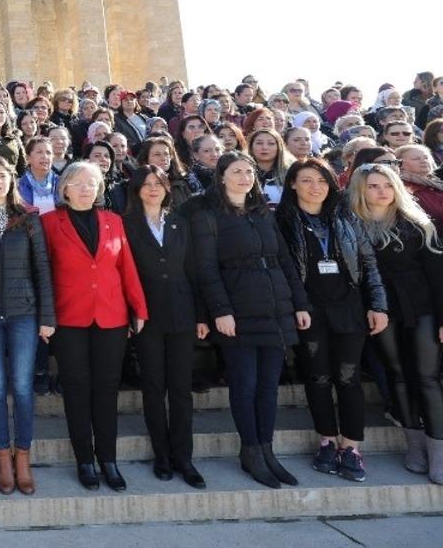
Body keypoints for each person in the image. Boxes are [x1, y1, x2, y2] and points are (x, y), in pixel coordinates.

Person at [188, 151, 311, 489]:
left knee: (268, 387)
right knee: (245, 385)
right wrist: (220, 311)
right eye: (237, 171)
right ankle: (251, 451)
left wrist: (300, 304)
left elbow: (284, 260)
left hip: (274, 309)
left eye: (249, 171)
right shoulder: (208, 214)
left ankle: (267, 450)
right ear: (222, 176)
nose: (244, 177)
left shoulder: (263, 213)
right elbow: (206, 269)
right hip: (237, 312)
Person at [275, 158, 388, 482]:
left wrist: (378, 305)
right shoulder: (282, 220)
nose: (315, 187)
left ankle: (350, 446)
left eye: (322, 180)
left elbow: (369, 265)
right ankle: (326, 439)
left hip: (349, 308)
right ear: (293, 184)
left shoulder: (345, 217)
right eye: (307, 180)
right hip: (309, 310)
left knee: (348, 378)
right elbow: (284, 270)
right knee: (318, 377)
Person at [42, 161, 148, 492]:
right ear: (65, 189)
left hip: (111, 316)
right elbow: (43, 275)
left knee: (105, 389)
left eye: (93, 183)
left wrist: (138, 307)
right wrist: (44, 318)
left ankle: (109, 460)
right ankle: (84, 460)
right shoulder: (48, 223)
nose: (87, 188)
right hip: (68, 318)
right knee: (76, 389)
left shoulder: (113, 221)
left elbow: (126, 267)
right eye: (80, 183)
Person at [348, 162, 443, 484]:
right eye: (373, 186)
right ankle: (414, 446)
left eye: (387, 184)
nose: (382, 191)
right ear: (361, 190)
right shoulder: (352, 225)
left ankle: (438, 452)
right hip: (379, 308)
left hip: (423, 306)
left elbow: (437, 274)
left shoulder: (417, 223)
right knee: (398, 376)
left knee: (427, 377)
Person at [0, 155, 54, 495]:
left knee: (21, 388)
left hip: (24, 313)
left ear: (11, 180)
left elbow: (43, 270)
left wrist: (47, 318)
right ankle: (3, 458)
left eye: (2, 176)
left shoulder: (29, 218)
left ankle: (23, 458)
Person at [121, 165, 206, 488]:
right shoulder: (126, 225)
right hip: (147, 316)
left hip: (183, 313)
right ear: (137, 189)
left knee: (181, 389)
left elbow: (193, 270)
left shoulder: (179, 222)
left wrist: (201, 315)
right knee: (154, 387)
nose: (153, 188)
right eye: (146, 184)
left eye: (158, 183)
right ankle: (162, 455)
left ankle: (184, 456)